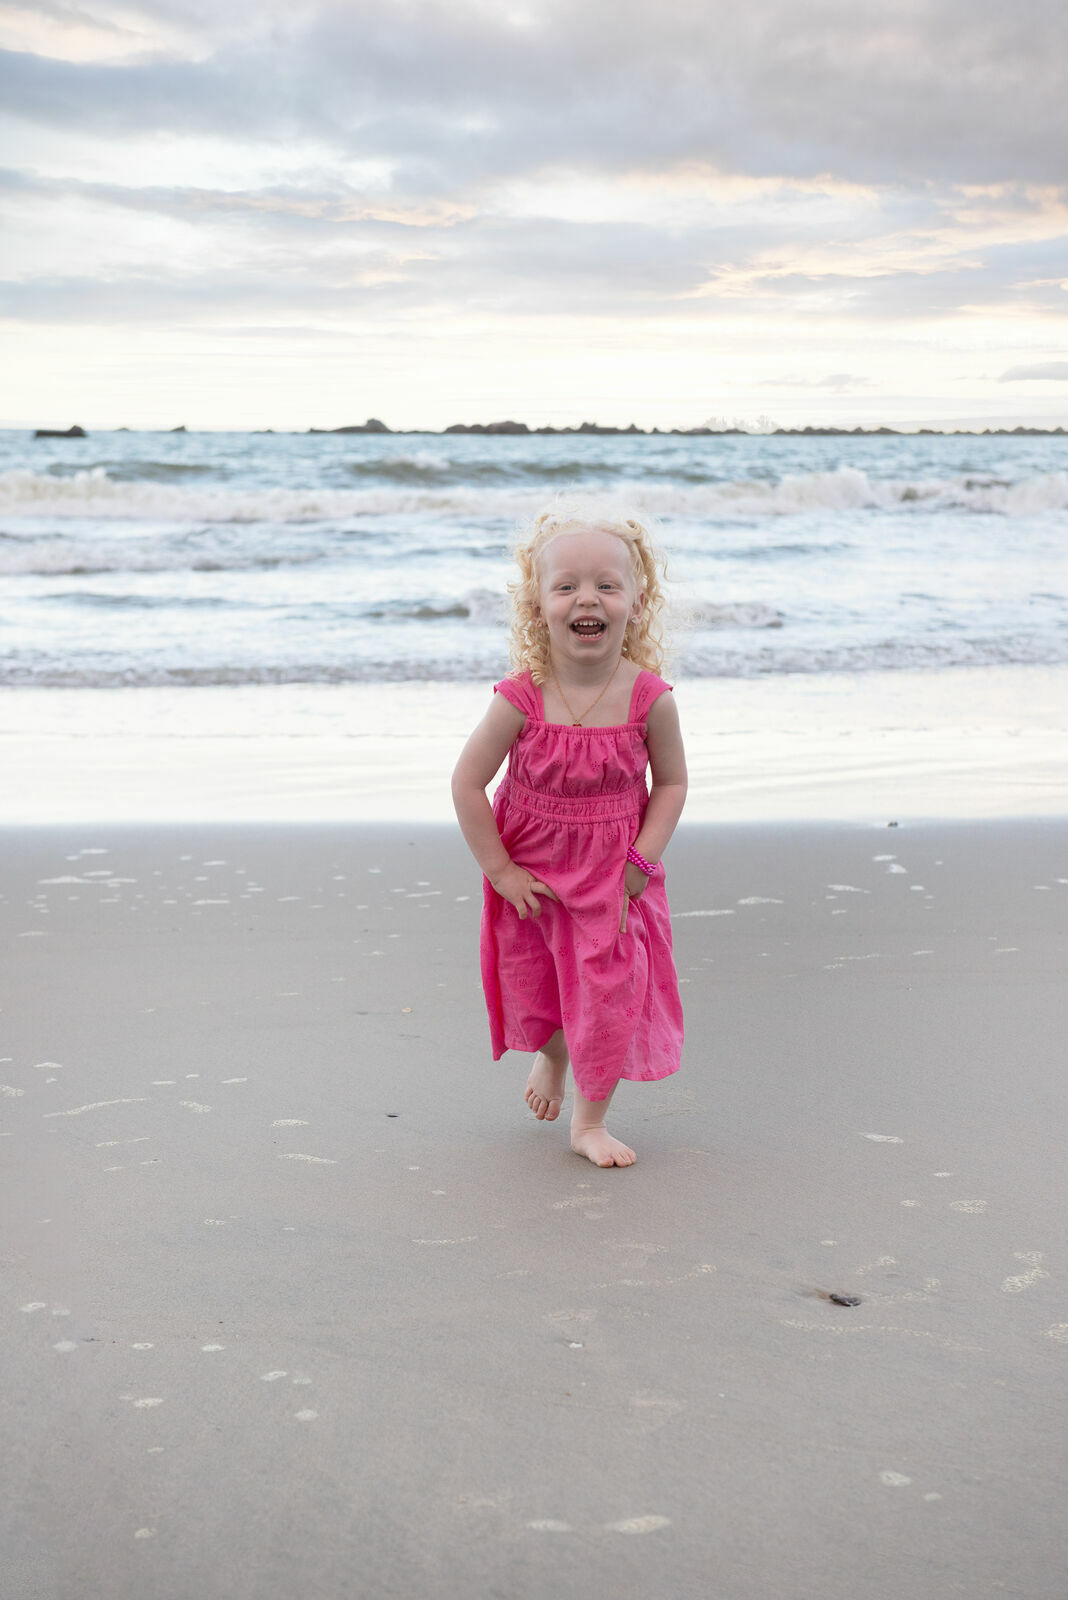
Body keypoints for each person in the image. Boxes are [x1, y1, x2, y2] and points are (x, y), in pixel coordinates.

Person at [451, 505, 687, 1167]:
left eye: (607, 585)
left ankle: (589, 1123)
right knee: (539, 985)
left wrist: (642, 859)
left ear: (638, 604)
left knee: (608, 995)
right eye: (567, 586)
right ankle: (552, 1056)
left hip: (615, 875)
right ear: (537, 606)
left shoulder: (649, 699)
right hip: (532, 872)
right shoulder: (520, 698)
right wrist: (501, 871)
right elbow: (467, 783)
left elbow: (672, 784)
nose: (588, 598)